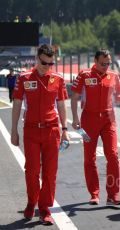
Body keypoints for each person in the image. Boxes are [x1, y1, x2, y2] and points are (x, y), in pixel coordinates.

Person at [11, 44, 69, 225]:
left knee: (50, 172)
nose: (46, 66)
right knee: (32, 170)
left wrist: (65, 130)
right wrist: (14, 130)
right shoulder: (24, 78)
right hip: (31, 130)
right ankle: (31, 202)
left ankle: (45, 208)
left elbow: (61, 105)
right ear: (37, 59)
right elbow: (17, 104)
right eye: (44, 62)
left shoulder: (58, 79)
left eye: (50, 64)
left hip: (52, 130)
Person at [71, 49, 120, 206]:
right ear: (95, 61)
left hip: (109, 119)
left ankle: (113, 194)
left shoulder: (114, 76)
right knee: (89, 158)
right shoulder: (84, 74)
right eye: (102, 64)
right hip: (89, 120)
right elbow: (74, 97)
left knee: (113, 156)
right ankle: (94, 194)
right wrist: (74, 118)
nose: (106, 66)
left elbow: (119, 95)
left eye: (108, 63)